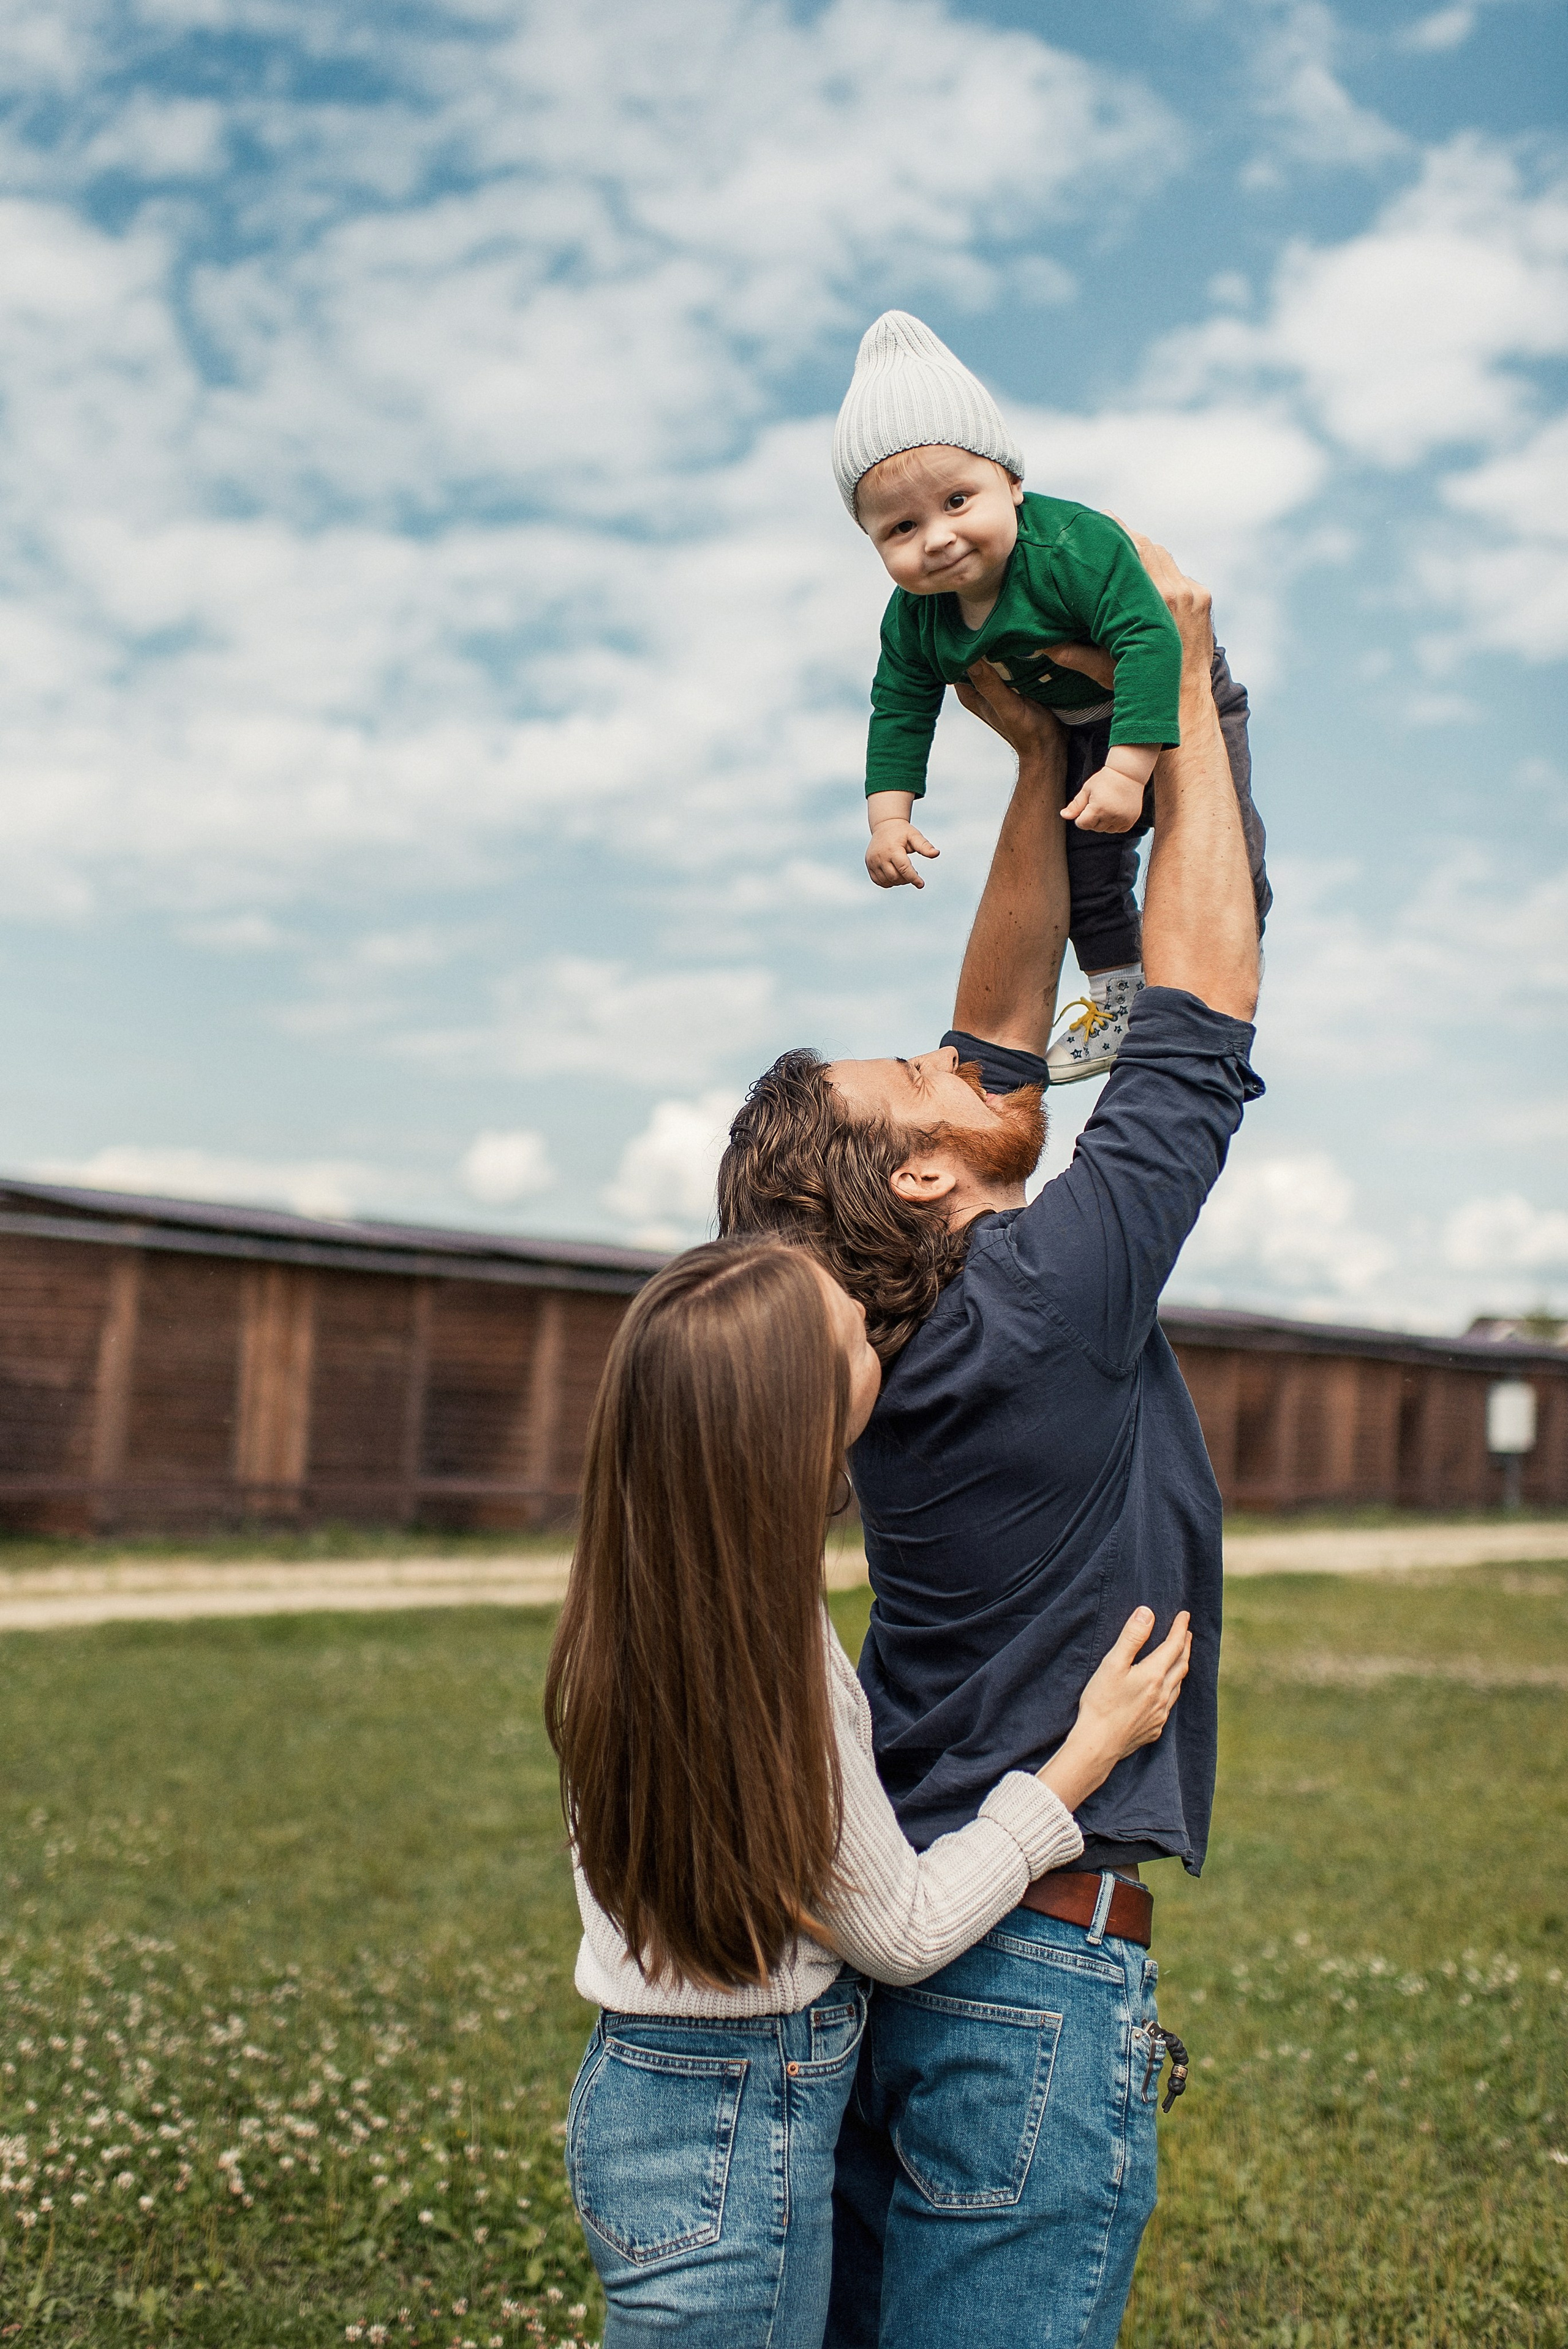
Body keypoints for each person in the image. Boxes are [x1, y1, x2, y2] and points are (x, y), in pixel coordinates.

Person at [715, 534, 1262, 2348]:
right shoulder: (1046, 1301)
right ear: (927, 1179)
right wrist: (1177, 705)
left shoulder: (895, 1336)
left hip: (912, 1953)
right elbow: (1190, 1034)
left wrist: (1037, 771)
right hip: (1026, 1980)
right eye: (923, 1076)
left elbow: (1003, 1027)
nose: (967, 1055)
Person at [546, 1238, 1192, 2347]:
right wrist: (1080, 1761)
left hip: (636, 2083)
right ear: (796, 1423)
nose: (876, 1329)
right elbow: (903, 1927)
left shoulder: (626, 1601)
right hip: (740, 2111)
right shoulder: (772, 1658)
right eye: (855, 1338)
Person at [835, 308, 1270, 1081]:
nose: (936, 537)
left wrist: (1131, 769)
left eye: (958, 501)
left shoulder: (1070, 548)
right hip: (1075, 731)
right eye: (900, 527)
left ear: (1010, 481)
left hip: (1170, 691)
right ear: (873, 542)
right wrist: (888, 819)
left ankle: (1217, 973)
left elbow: (1149, 639)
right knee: (1083, 868)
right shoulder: (914, 619)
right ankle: (1119, 996)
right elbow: (900, 707)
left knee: (1218, 835)